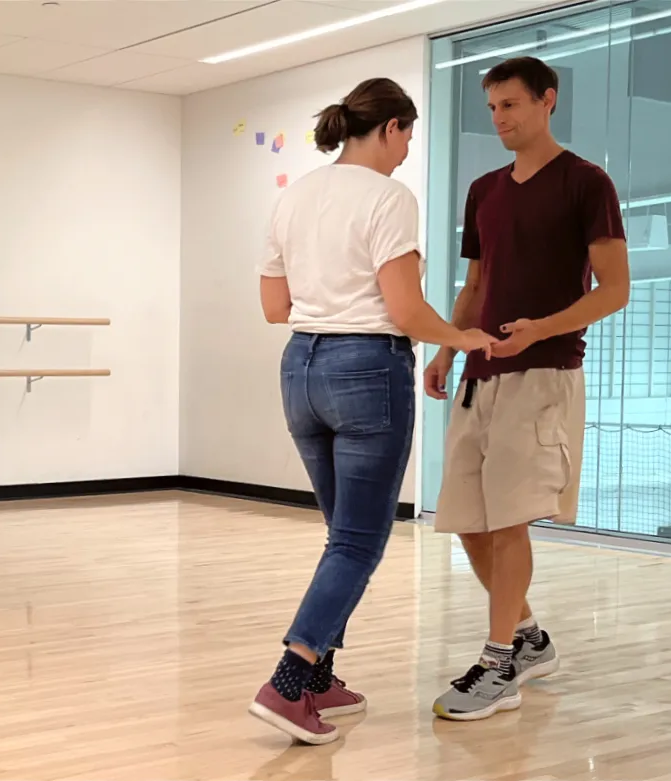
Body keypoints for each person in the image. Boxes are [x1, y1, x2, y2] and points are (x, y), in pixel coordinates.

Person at [248, 77, 497, 744]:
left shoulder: (295, 196)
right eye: (408, 134)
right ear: (389, 128)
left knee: (342, 534)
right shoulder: (390, 197)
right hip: (366, 368)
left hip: (300, 367)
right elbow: (407, 309)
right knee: (358, 539)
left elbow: (276, 307)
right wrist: (465, 335)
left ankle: (323, 676)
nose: (409, 148)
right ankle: (290, 677)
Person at [425, 57, 630, 721]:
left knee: (508, 520)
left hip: (544, 377)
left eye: (510, 105)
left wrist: (541, 327)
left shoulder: (586, 183)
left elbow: (615, 289)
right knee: (467, 522)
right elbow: (477, 286)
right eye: (491, 108)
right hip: (481, 375)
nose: (499, 119)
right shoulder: (484, 190)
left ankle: (497, 661)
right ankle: (529, 637)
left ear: (548, 101)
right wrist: (445, 348)